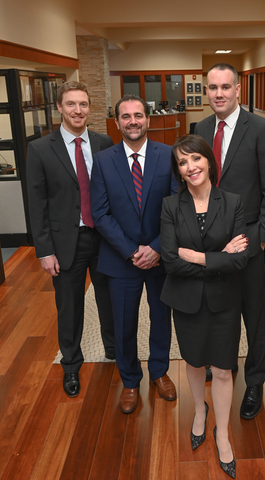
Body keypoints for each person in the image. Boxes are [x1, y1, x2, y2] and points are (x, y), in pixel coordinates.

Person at [195, 63, 265, 419]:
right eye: (212, 87)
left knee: (253, 314)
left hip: (247, 240)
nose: (218, 93)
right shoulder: (200, 127)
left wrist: (260, 239)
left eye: (225, 87)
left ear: (238, 91)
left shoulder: (261, 129)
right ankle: (222, 370)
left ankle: (255, 382)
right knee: (219, 311)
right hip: (210, 242)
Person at [160, 134, 249, 479]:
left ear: (208, 161)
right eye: (182, 163)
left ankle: (222, 431)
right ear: (178, 172)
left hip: (225, 299)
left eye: (195, 159)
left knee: (224, 369)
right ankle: (200, 410)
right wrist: (218, 257)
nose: (190, 167)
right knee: (195, 362)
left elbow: (240, 260)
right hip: (185, 300)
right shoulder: (170, 206)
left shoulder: (233, 202)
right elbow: (169, 261)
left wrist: (196, 256)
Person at [26, 81, 115, 398]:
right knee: (69, 306)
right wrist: (44, 250)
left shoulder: (104, 143)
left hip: (104, 239)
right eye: (71, 104)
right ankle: (71, 365)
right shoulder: (39, 149)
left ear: (89, 108)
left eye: (83, 104)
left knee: (109, 298)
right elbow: (36, 204)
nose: (78, 110)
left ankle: (113, 349)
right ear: (60, 108)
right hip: (66, 242)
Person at [90, 94, 178, 414]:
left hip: (160, 257)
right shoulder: (103, 161)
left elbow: (176, 208)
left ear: (148, 120)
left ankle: (160, 372)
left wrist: (155, 248)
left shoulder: (168, 156)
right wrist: (131, 252)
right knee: (124, 323)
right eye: (125, 117)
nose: (133, 121)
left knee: (160, 319)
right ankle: (129, 380)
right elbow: (100, 214)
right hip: (120, 259)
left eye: (138, 115)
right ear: (117, 123)